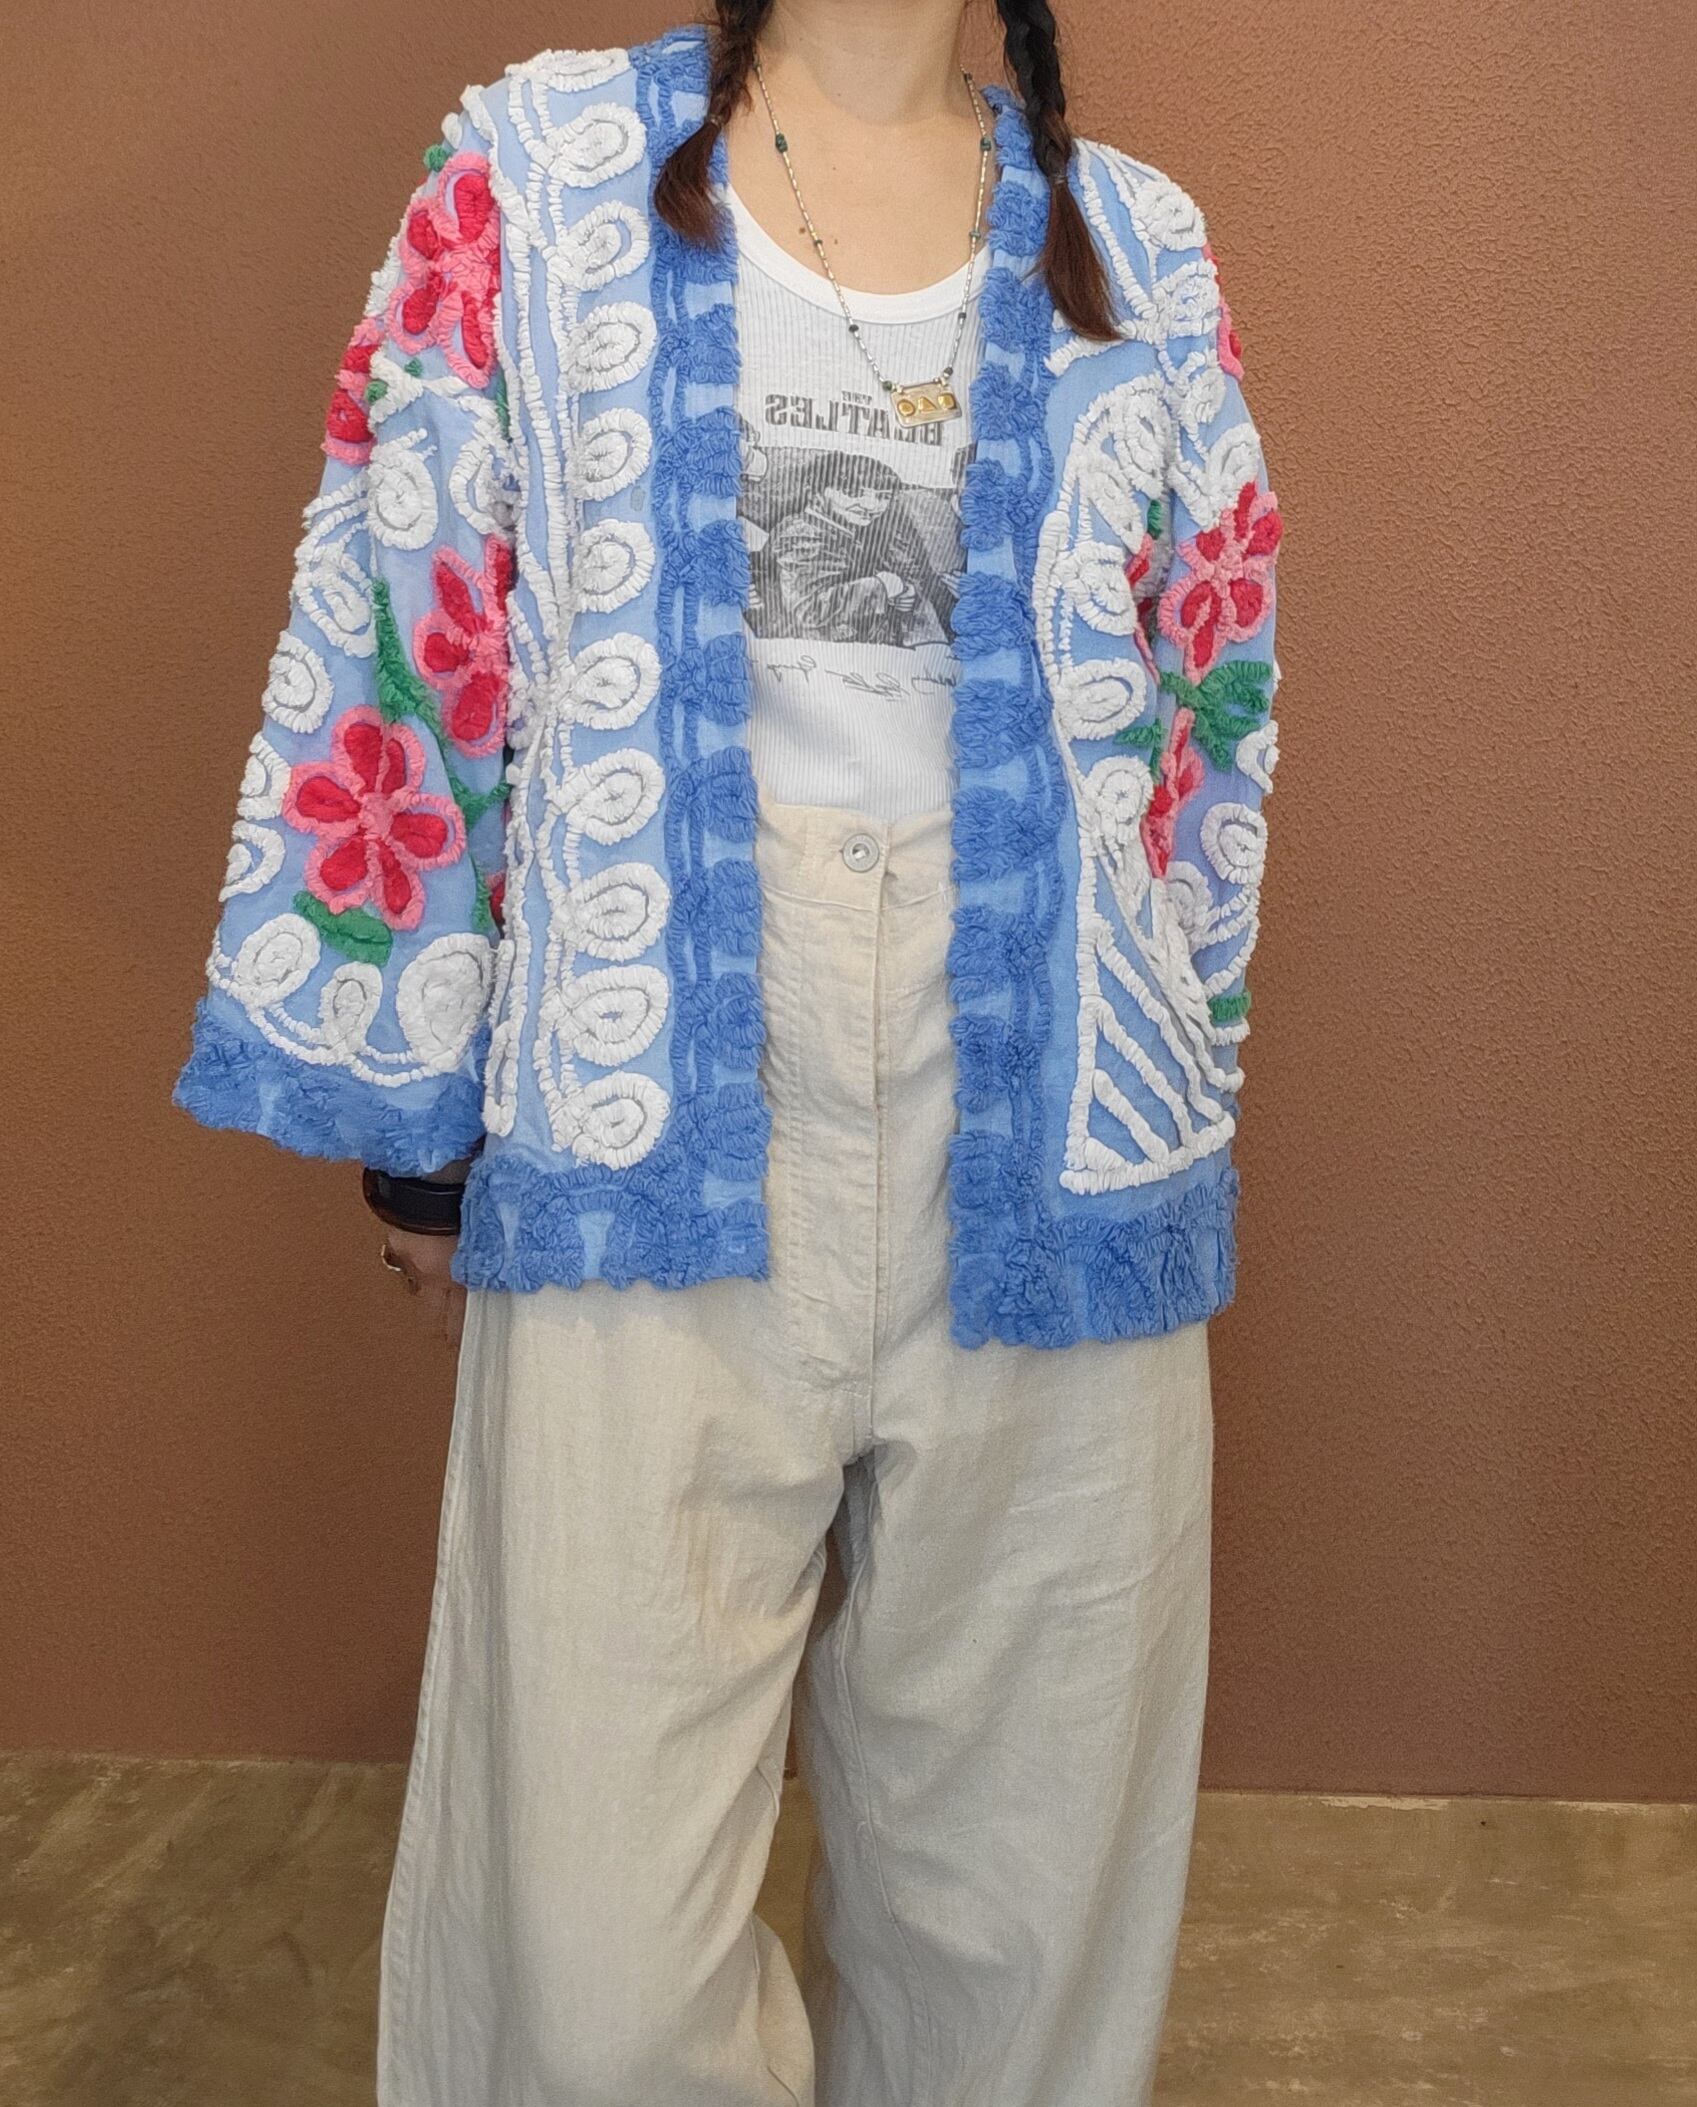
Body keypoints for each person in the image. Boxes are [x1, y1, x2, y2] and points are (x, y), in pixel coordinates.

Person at [173, 3, 1285, 2101]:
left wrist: (1175, 1078)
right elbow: (413, 615)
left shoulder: (1138, 243)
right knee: (590, 1944)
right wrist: (421, 1120)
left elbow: (1207, 701)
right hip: (647, 1081)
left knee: (1028, 1894)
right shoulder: (537, 175)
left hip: (1051, 1109)